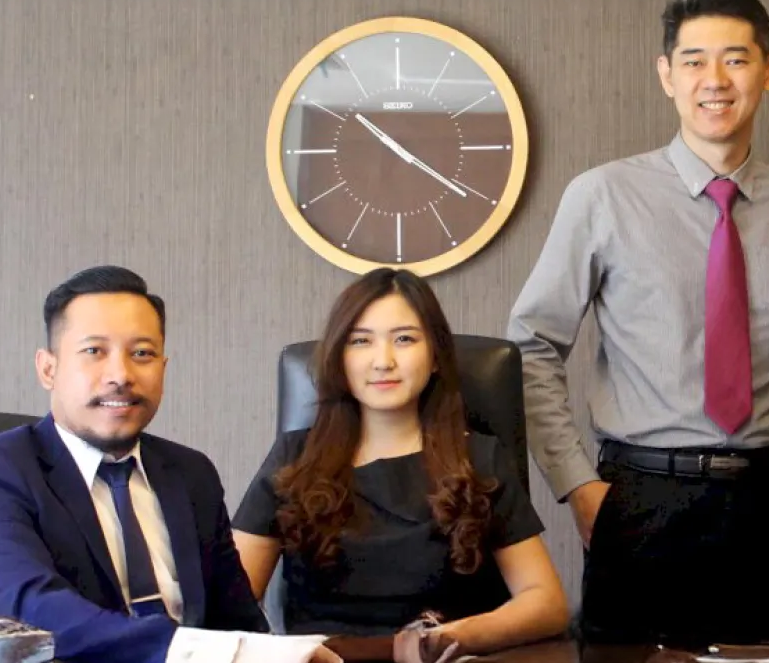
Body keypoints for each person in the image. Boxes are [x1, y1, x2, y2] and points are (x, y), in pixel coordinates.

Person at [506, 0, 769, 644]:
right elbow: (531, 345)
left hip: (766, 506)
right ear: (666, 74)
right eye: (694, 60)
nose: (714, 79)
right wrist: (578, 484)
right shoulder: (603, 196)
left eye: (735, 58)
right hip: (640, 501)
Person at [0, 267, 329, 663]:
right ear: (48, 369)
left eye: (142, 354)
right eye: (94, 351)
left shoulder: (190, 473)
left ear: (163, 367)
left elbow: (237, 621)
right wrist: (185, 649)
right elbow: (29, 610)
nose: (121, 375)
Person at [233, 269, 567, 657]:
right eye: (361, 341)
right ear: (340, 358)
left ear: (436, 356)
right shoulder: (294, 458)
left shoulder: (479, 458)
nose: (383, 361)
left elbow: (546, 602)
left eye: (404, 339)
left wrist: (436, 641)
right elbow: (231, 601)